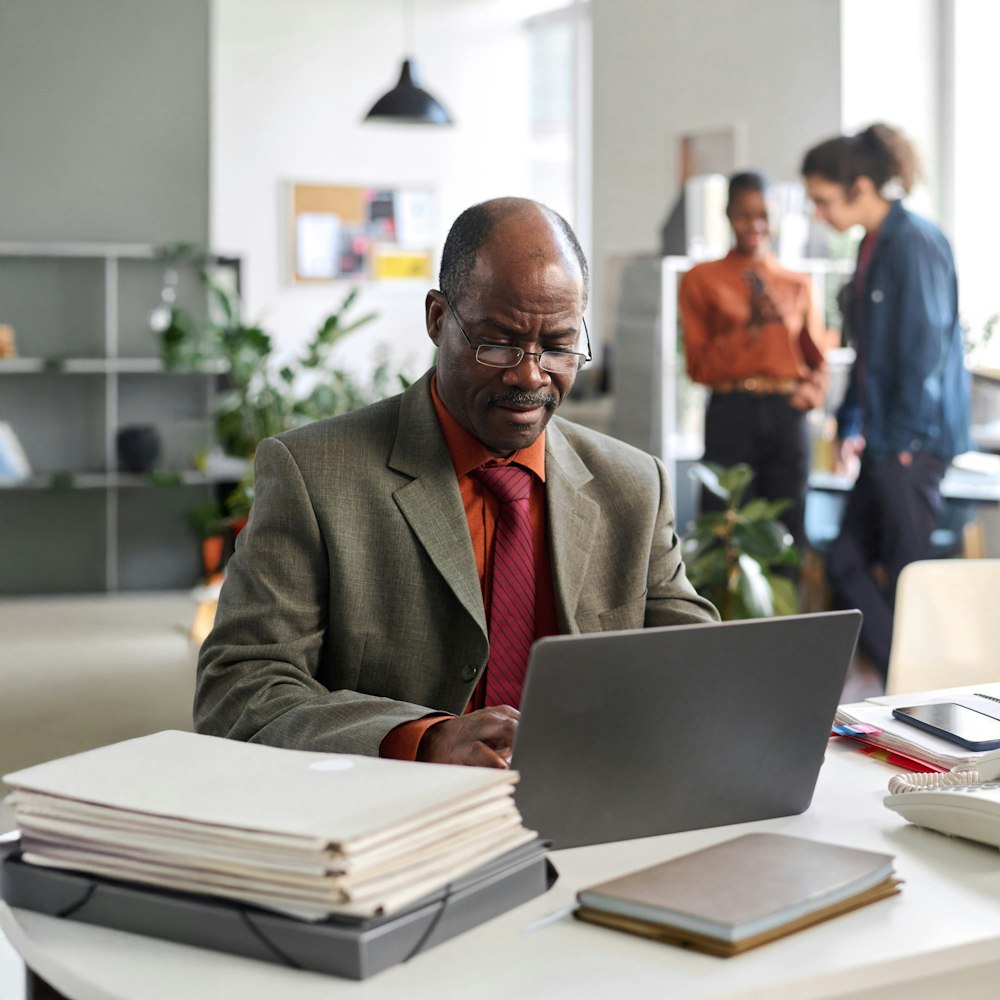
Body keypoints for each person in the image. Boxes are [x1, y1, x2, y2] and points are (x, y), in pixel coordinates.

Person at [195, 197, 719, 769]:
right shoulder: (314, 474)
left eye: (559, 346)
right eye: (499, 342)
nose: (530, 374)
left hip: (592, 799)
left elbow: (693, 661)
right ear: (438, 319)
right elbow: (240, 689)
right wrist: (423, 739)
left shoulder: (634, 485)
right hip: (398, 816)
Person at [801, 123, 970, 679]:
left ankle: (917, 692)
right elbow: (868, 353)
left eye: (824, 201)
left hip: (910, 446)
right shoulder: (872, 245)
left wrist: (901, 443)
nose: (819, 214)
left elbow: (922, 353)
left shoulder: (914, 242)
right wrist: (852, 422)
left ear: (862, 186)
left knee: (908, 576)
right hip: (882, 442)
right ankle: (904, 676)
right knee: (846, 562)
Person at [679, 171, 827, 549]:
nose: (756, 225)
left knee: (787, 532)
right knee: (723, 531)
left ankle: (790, 609)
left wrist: (807, 397)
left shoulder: (798, 283)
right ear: (728, 215)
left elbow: (817, 358)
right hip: (731, 412)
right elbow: (698, 367)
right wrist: (751, 327)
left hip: (785, 414)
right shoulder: (701, 279)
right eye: (745, 214)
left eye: (764, 215)